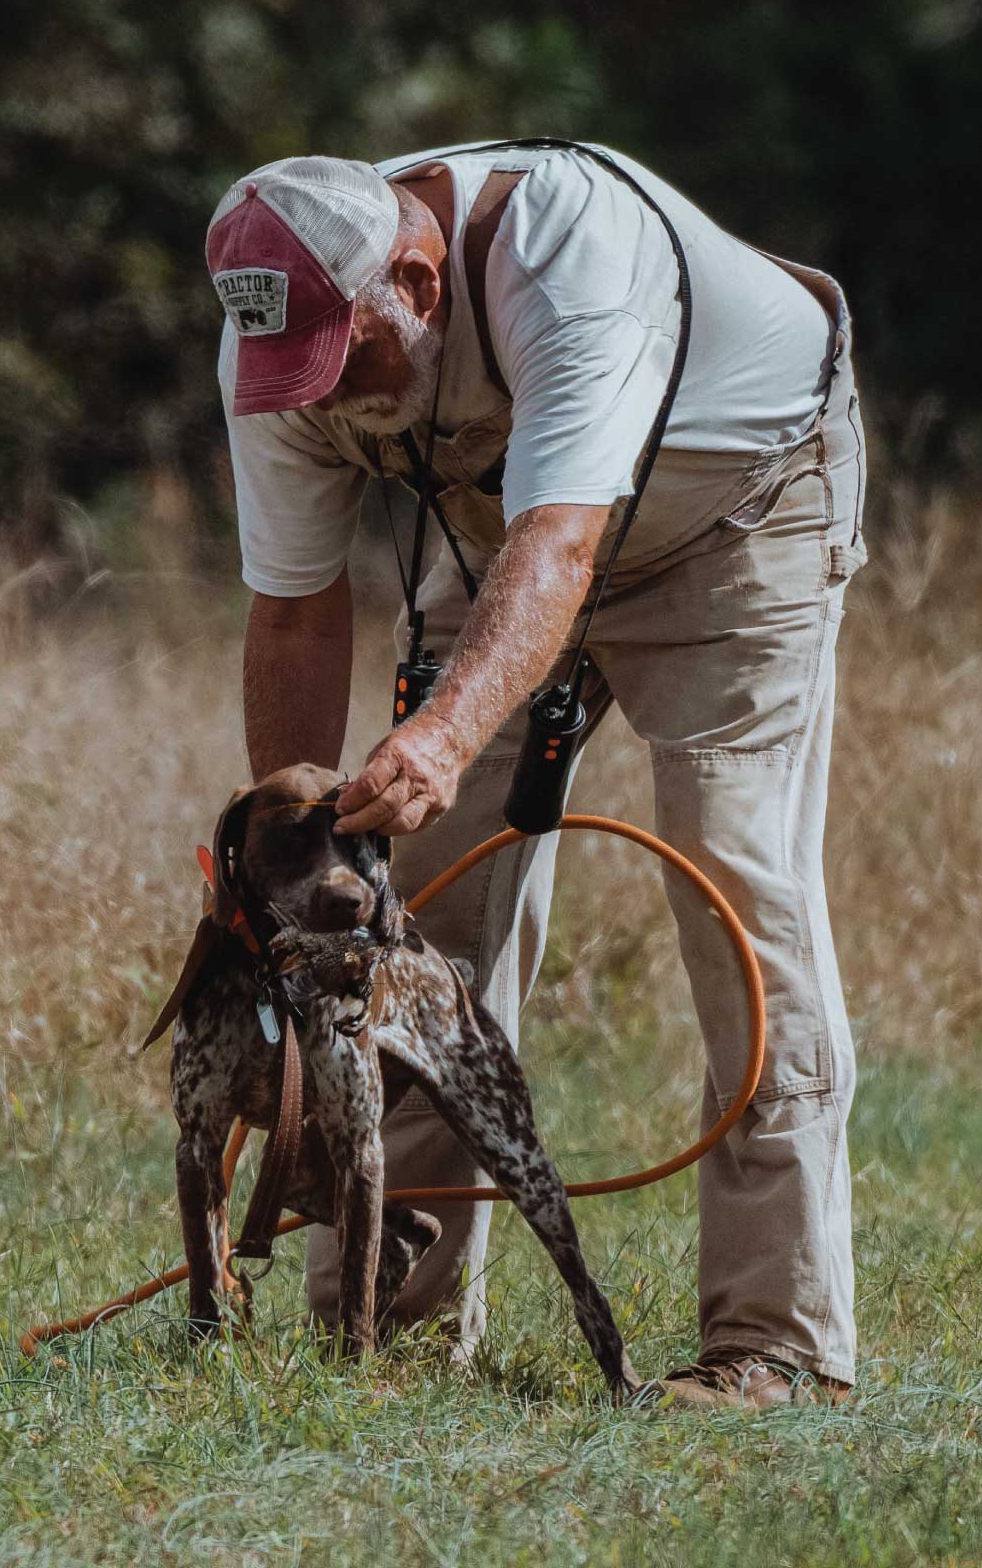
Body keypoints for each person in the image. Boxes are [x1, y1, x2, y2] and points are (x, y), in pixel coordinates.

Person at [204, 142, 867, 1408]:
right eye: (303, 379)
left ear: (418, 277)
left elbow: (563, 544)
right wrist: (290, 861)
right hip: (514, 541)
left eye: (357, 363)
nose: (329, 401)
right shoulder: (278, 332)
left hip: (734, 521)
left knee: (737, 894)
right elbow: (292, 612)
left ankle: (775, 1347)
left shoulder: (568, 259)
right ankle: (386, 1327)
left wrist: (442, 739)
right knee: (410, 922)